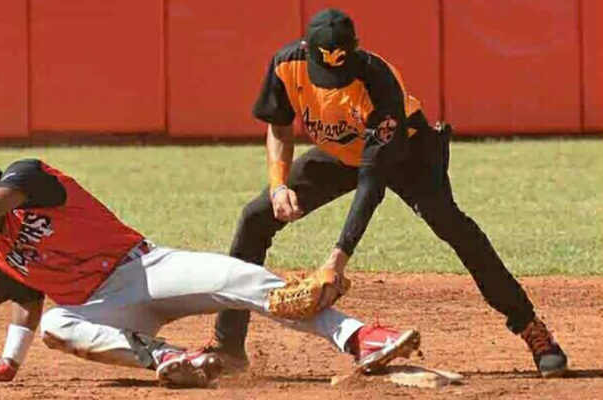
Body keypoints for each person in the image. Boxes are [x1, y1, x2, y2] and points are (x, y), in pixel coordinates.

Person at [209, 8, 567, 378]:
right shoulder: (287, 65)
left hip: (407, 153)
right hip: (341, 153)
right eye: (326, 75)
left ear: (357, 51)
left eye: (341, 75)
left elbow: (372, 182)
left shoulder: (379, 80)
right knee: (255, 218)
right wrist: (278, 184)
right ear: (306, 50)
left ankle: (531, 328)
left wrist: (336, 261)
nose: (334, 83)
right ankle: (228, 345)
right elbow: (280, 127)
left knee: (454, 227)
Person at [0, 154, 421, 388]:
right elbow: (27, 301)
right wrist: (9, 361)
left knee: (242, 281)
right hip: (105, 307)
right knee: (60, 326)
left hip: (145, 269)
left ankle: (360, 337)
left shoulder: (28, 175)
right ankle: (173, 360)